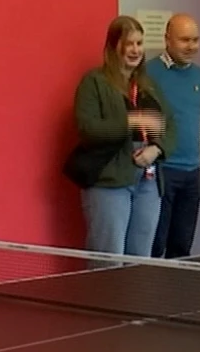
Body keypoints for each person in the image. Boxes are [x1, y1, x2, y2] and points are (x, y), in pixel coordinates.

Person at [72, 15, 172, 256]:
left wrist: (156, 149)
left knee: (141, 260)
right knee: (109, 257)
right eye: (129, 44)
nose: (136, 50)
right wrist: (131, 121)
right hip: (109, 180)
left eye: (139, 43)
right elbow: (88, 128)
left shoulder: (149, 85)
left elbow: (170, 126)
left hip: (148, 182)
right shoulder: (94, 82)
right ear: (114, 45)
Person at [147, 14, 200, 259]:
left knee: (182, 247)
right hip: (162, 170)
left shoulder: (199, 75)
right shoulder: (149, 72)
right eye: (184, 40)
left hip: (192, 172)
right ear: (167, 40)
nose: (191, 46)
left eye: (195, 40)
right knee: (156, 243)